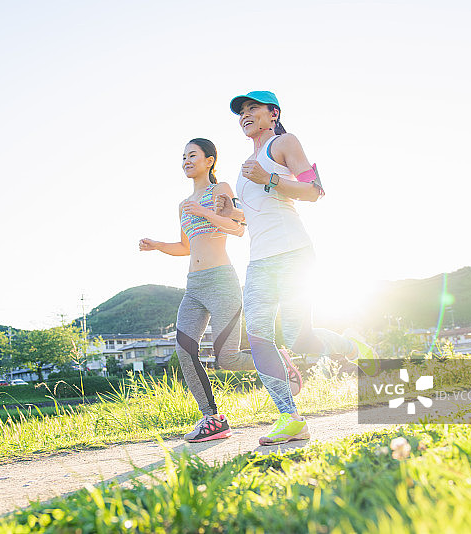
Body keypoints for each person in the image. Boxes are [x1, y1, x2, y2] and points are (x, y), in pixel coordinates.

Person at [218, 91, 379, 446]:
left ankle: (351, 346)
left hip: (293, 253)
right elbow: (255, 213)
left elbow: (314, 190)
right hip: (259, 261)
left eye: (252, 108)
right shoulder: (247, 164)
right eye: (241, 111)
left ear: (273, 113)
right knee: (258, 336)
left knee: (298, 338)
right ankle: (290, 418)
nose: (245, 115)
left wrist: (270, 178)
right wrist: (230, 212)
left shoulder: (284, 143)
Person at [139, 138, 300, 442]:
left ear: (209, 160)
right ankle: (212, 419)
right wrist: (157, 245)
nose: (186, 161)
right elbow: (186, 246)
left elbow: (238, 227)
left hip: (221, 282)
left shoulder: (220, 189)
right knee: (184, 350)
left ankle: (278, 359)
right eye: (183, 157)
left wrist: (204, 212)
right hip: (194, 286)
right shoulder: (183, 205)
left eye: (192, 155)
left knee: (228, 358)